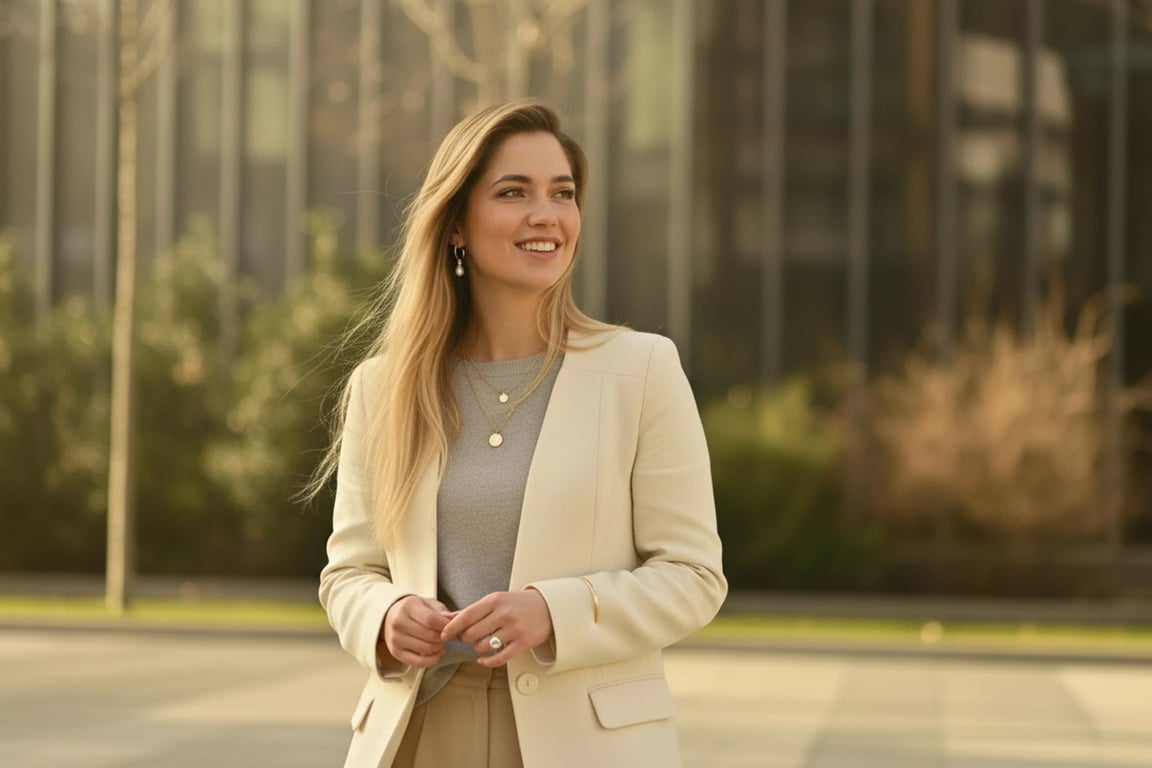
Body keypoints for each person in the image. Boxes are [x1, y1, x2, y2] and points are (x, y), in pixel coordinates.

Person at [314, 99, 727, 768]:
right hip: (420, 731)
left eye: (562, 193)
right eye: (514, 192)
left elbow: (693, 576)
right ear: (456, 224)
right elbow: (349, 573)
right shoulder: (384, 387)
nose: (547, 214)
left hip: (587, 744)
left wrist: (553, 612)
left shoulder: (641, 370)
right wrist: (384, 616)